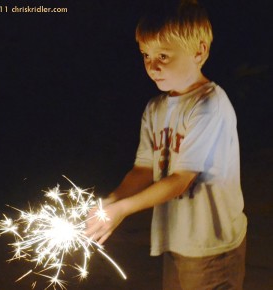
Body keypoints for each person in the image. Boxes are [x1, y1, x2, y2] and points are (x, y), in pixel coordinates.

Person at [86, 0, 247, 289]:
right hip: (176, 238)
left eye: (163, 55)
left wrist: (124, 209)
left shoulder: (210, 105)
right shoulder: (155, 108)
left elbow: (181, 180)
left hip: (212, 246)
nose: (152, 66)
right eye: (146, 55)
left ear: (199, 51)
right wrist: (112, 200)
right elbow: (143, 169)